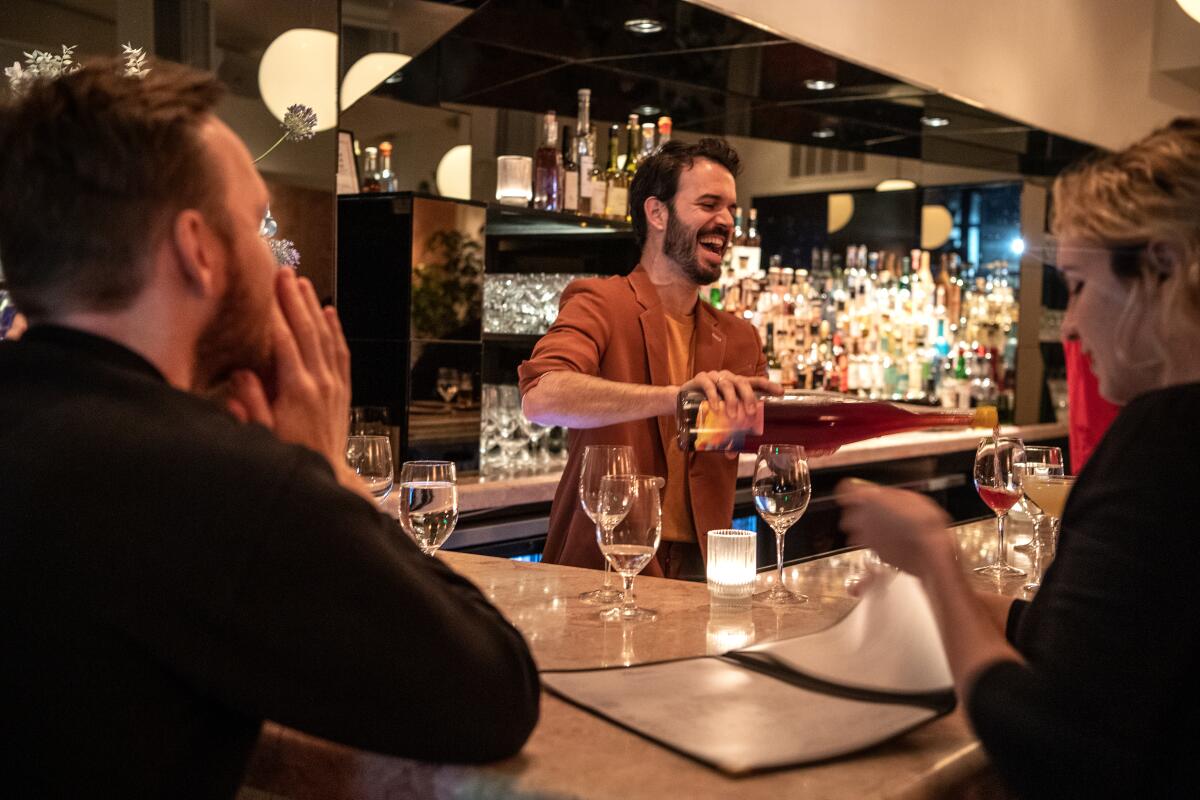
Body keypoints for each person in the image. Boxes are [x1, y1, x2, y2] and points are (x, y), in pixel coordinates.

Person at [0, 60, 538, 797]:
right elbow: (493, 692)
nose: (281, 263)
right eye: (259, 224)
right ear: (198, 250)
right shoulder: (208, 479)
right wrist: (328, 472)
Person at [836, 118, 1200, 798]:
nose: (1067, 323)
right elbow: (1118, 643)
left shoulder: (1167, 440)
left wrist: (933, 557)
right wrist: (948, 600)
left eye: (1080, 285)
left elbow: (1050, 740)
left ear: (1162, 268)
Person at [519, 139, 781, 578]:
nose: (727, 222)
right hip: (602, 567)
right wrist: (675, 397)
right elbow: (542, 398)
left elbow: (748, 437)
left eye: (731, 208)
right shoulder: (599, 302)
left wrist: (811, 432)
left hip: (708, 570)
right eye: (709, 204)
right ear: (657, 213)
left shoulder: (740, 338)